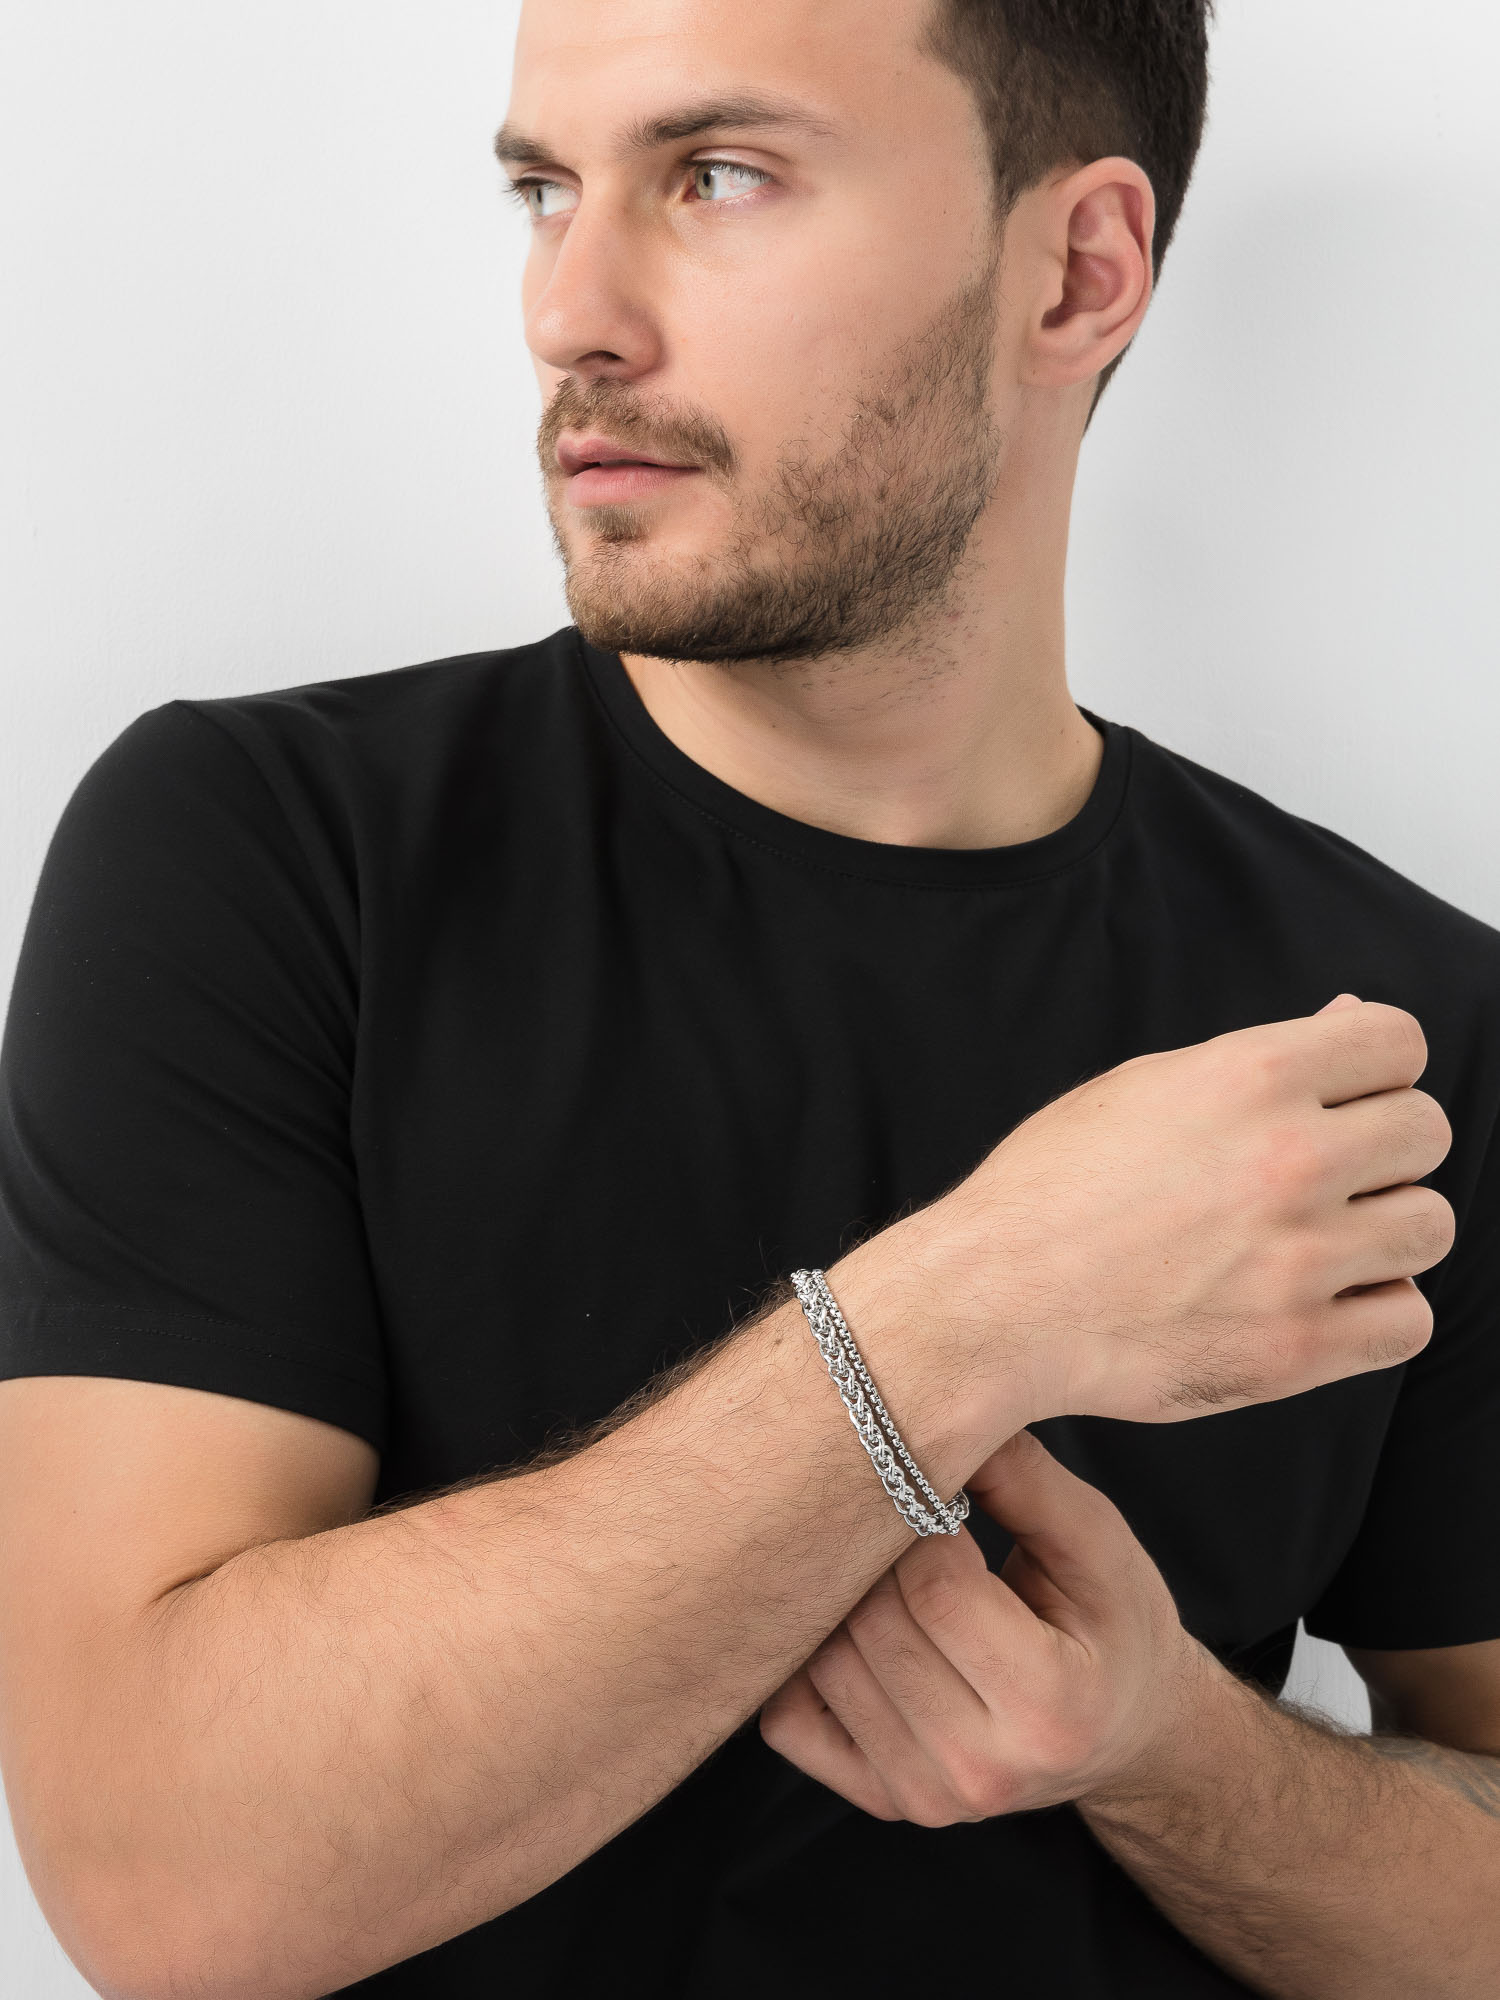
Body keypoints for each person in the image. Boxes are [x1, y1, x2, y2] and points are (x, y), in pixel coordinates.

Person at [1, 1, 1498, 1995]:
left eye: (717, 177)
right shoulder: (270, 856)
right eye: (546, 190)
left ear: (1078, 270)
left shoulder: (1390, 1035)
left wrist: (1168, 1754)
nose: (568, 313)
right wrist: (962, 1315)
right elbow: (162, 1880)